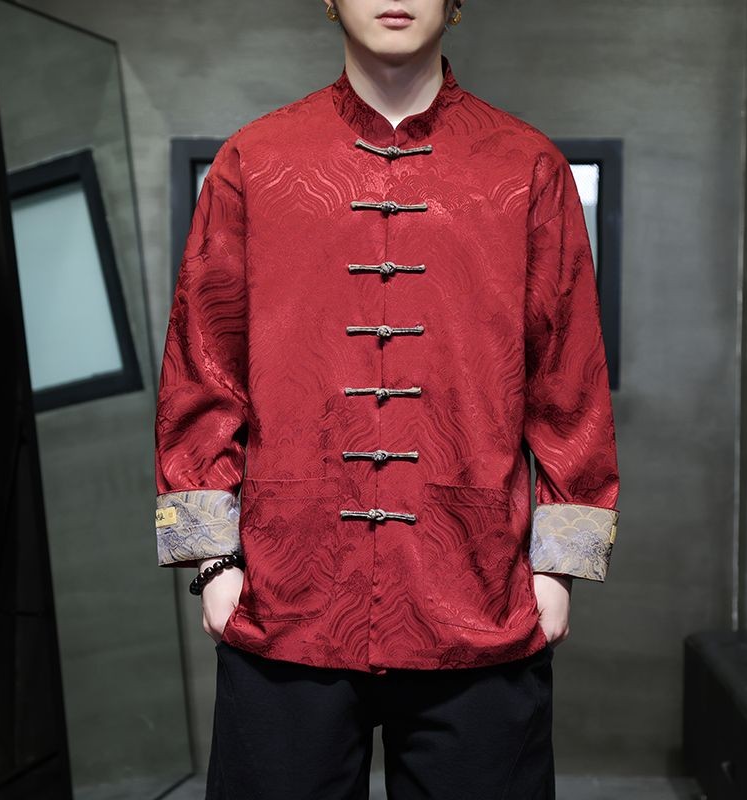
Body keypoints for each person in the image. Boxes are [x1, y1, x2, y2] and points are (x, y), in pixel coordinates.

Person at [153, 1, 621, 797]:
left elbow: (568, 379)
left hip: (477, 595)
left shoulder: (526, 167)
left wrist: (556, 574)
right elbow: (203, 366)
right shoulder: (254, 162)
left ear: (458, 3)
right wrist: (215, 564)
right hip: (286, 596)